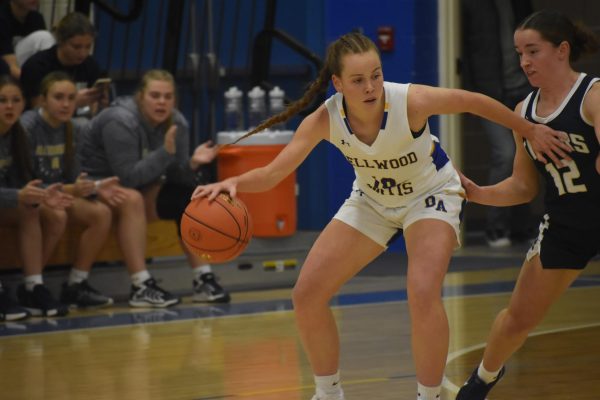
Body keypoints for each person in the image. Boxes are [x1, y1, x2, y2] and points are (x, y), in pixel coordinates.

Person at [191, 32, 570, 400]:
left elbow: (471, 101)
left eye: (376, 75)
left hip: (431, 194)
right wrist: (234, 183)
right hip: (372, 200)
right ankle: (328, 393)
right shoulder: (324, 120)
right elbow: (274, 173)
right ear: (338, 84)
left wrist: (528, 129)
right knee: (306, 295)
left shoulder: (410, 101)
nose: (371, 86)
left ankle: (428, 395)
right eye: (358, 80)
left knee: (422, 291)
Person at [456, 10, 600, 400]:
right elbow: (522, 186)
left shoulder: (593, 95)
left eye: (533, 51)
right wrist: (477, 193)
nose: (524, 62)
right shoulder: (524, 113)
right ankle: (482, 380)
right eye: (520, 52)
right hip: (567, 225)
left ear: (562, 50)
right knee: (518, 318)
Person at [80, 69, 231, 305]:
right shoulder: (119, 120)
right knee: (132, 198)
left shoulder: (177, 121)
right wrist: (166, 153)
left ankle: (203, 279)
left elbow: (175, 175)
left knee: (190, 197)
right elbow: (128, 177)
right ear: (141, 97)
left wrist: (191, 163)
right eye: (155, 95)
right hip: (94, 189)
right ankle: (140, 286)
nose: (162, 102)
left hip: (138, 189)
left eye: (168, 97)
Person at [21, 70, 128, 310]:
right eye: (58, 97)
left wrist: (96, 188)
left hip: (60, 194)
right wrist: (68, 190)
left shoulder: (74, 128)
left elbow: (75, 178)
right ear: (42, 100)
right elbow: (24, 182)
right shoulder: (27, 127)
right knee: (56, 215)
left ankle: (76, 285)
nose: (66, 104)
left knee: (101, 213)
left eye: (71, 98)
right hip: (33, 196)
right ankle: (31, 285)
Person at [460, 0, 536, 247]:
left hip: (522, 88)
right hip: (489, 91)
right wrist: (471, 95)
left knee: (528, 153)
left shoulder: (519, 3)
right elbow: (464, 47)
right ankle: (496, 228)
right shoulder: (473, 6)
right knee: (505, 153)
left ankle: (523, 227)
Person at [0, 74, 73, 318]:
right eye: (2, 100)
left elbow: (22, 184)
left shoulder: (17, 134)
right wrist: (19, 194)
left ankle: (32, 287)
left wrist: (41, 195)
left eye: (15, 100)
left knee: (31, 209)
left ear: (24, 104)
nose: (9, 106)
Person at [19, 11, 106, 113]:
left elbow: (93, 110)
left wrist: (99, 102)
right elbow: (37, 110)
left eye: (88, 47)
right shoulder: (37, 66)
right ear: (61, 41)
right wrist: (73, 102)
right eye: (76, 47)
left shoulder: (91, 65)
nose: (83, 53)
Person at [0, 0, 55, 79]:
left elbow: (44, 56)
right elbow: (8, 66)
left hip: (27, 68)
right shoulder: (2, 18)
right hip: (5, 68)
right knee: (44, 36)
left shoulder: (36, 17)